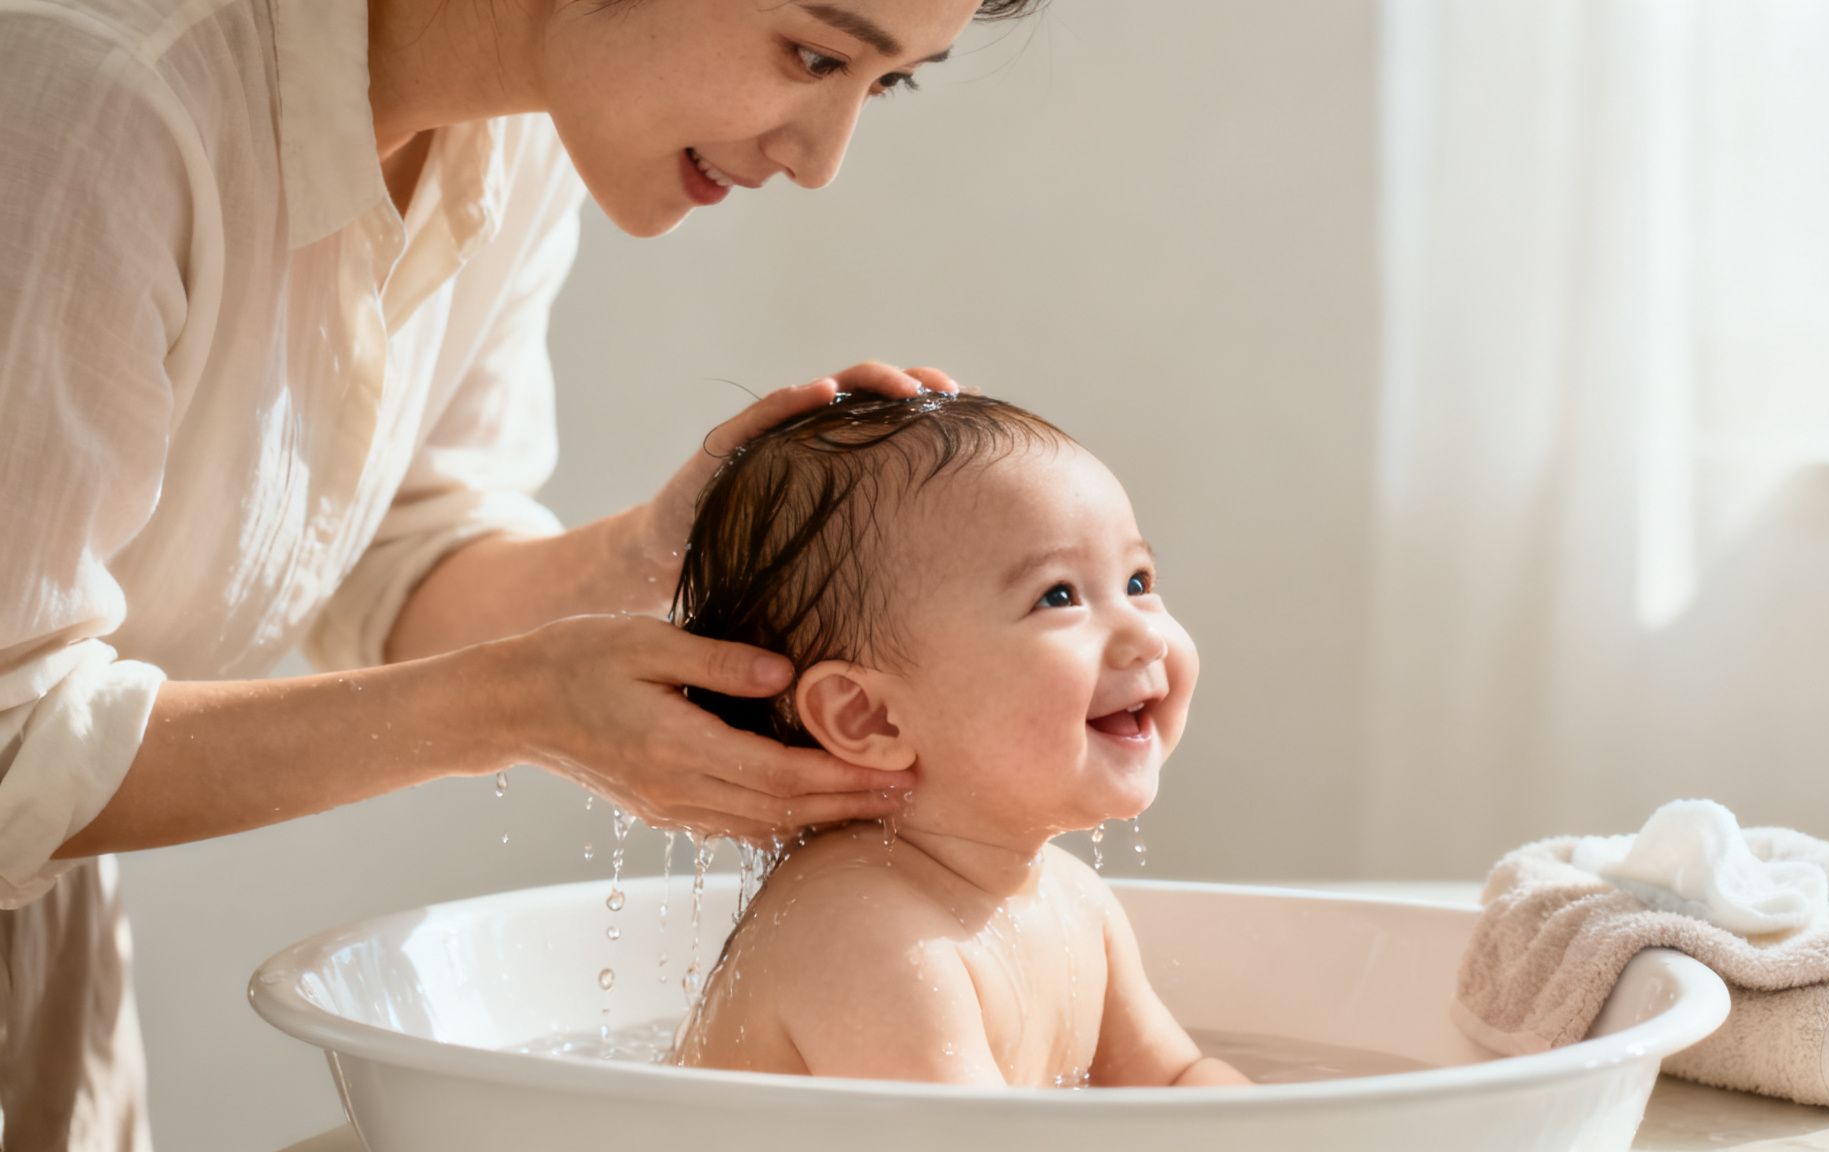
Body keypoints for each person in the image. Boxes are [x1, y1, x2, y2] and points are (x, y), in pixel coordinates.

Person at [0, 0, 1040, 1146]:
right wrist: (516, 706)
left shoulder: (516, 139)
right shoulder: (91, 97)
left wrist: (654, 553)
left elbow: (400, 568)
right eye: (813, 55)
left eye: (887, 82)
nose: (820, 158)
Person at [669, 393, 1250, 1088]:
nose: (1147, 633)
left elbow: (1176, 1081)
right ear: (871, 719)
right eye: (1059, 596)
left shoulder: (1075, 900)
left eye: (1137, 581)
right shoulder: (869, 937)